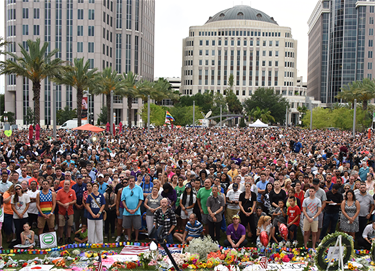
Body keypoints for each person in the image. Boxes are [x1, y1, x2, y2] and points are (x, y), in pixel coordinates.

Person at [121, 176, 143, 242]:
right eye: (130, 181)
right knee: (127, 226)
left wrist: (136, 209)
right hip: (127, 211)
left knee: (137, 226)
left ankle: (136, 238)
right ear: (128, 181)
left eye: (132, 181)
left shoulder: (139, 189)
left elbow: (141, 199)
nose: (131, 182)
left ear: (134, 181)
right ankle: (129, 238)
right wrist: (127, 209)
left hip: (136, 211)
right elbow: (123, 200)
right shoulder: (125, 189)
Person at [56, 180, 77, 245]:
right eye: (65, 184)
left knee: (69, 225)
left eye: (68, 184)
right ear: (63, 185)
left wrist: (69, 203)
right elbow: (57, 200)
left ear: (69, 185)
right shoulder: (59, 191)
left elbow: (74, 200)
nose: (66, 185)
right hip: (61, 211)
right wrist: (63, 205)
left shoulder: (72, 191)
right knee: (61, 225)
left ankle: (69, 237)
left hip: (70, 211)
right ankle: (61, 237)